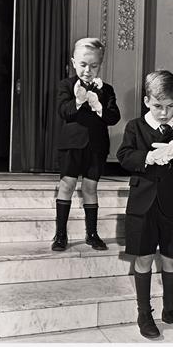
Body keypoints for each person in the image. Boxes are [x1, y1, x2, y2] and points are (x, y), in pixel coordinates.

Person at [117, 70, 173, 339]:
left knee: (172, 259)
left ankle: (171, 309)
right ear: (146, 100)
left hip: (172, 204)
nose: (164, 112)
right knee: (145, 257)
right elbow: (124, 156)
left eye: (170, 106)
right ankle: (144, 312)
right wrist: (149, 157)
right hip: (142, 204)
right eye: (157, 106)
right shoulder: (135, 127)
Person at [52, 37, 120, 252]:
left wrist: (99, 106)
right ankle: (60, 235)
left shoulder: (106, 89)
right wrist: (79, 100)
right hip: (71, 145)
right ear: (74, 62)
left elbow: (113, 117)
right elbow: (64, 111)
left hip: (96, 146)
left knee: (90, 188)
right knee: (67, 185)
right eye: (83, 64)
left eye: (93, 66)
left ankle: (92, 234)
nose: (88, 70)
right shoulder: (66, 85)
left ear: (100, 65)